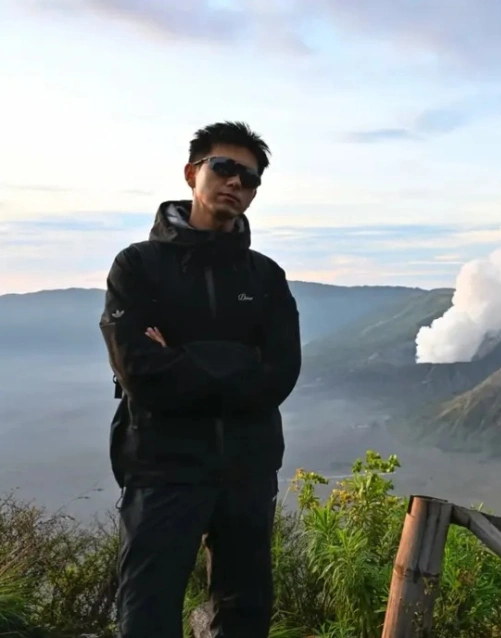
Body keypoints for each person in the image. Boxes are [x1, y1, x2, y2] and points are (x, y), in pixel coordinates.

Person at [99, 121, 301, 638]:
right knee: (146, 611)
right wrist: (238, 362)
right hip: (163, 468)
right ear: (193, 173)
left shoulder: (265, 277)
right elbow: (141, 372)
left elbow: (279, 375)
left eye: (250, 178)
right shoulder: (138, 267)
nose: (237, 182)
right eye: (225, 167)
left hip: (248, 470)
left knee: (243, 613)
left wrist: (183, 357)